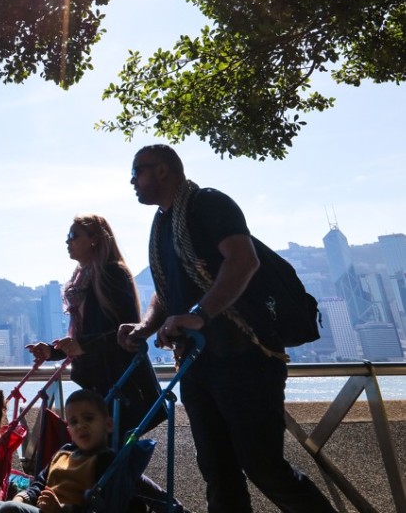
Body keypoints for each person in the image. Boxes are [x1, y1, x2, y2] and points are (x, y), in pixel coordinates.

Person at [118, 144, 337, 513]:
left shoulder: (209, 203)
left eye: (137, 171)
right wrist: (145, 327)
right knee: (218, 473)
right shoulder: (163, 224)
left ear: (163, 171)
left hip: (246, 359)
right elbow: (168, 288)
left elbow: (243, 259)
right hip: (199, 365)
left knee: (265, 468)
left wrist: (200, 315)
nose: (132, 182)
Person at [27, 214, 164, 438]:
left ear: (95, 239)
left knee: (109, 459)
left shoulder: (112, 273)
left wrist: (80, 345)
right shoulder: (83, 281)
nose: (67, 242)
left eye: (73, 236)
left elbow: (127, 332)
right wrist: (52, 352)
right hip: (99, 385)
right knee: (105, 460)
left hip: (121, 385)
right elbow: (84, 337)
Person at [0, 389, 181, 513]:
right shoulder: (63, 452)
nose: (81, 426)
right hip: (42, 506)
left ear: (108, 424)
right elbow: (39, 483)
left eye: (88, 419)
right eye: (74, 422)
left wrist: (61, 509)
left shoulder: (105, 460)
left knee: (9, 511)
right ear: (68, 429)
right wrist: (23, 496)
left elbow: (96, 505)